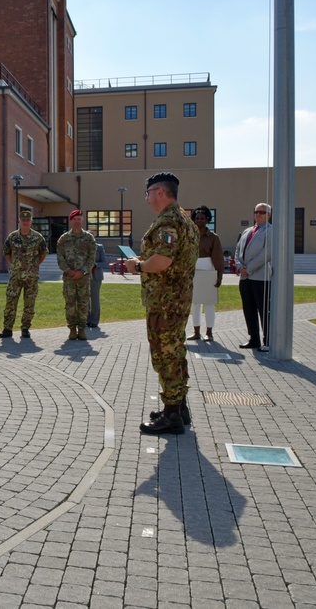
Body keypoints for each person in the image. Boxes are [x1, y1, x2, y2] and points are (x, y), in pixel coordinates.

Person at [126, 172, 198, 435]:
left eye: (147, 194)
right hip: (177, 300)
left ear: (158, 192)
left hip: (165, 302)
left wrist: (138, 267)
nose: (146, 199)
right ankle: (178, 407)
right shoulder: (185, 220)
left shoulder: (168, 222)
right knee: (176, 353)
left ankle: (171, 416)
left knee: (165, 355)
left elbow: (163, 261)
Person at [0, 209, 48, 339]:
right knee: (11, 301)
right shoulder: (12, 237)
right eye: (23, 220)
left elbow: (43, 253)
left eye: (28, 220)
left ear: (31, 221)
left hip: (31, 277)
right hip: (15, 276)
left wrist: (34, 265)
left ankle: (25, 328)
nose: (25, 222)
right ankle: (8, 328)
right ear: (19, 221)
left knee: (29, 303)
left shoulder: (38, 238)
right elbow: (7, 252)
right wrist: (16, 265)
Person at [235, 202, 273, 351]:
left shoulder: (271, 231)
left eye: (262, 212)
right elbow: (238, 250)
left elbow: (267, 253)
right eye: (256, 212)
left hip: (260, 278)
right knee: (248, 309)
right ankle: (254, 339)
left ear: (269, 215)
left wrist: (248, 269)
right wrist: (239, 266)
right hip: (245, 279)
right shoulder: (247, 231)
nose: (258, 214)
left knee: (264, 310)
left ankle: (268, 341)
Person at [56, 209, 97, 340]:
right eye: (75, 219)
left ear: (82, 221)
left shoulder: (89, 238)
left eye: (79, 219)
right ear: (71, 221)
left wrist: (83, 271)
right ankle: (72, 329)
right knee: (70, 303)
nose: (77, 221)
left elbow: (92, 258)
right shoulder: (64, 238)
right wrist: (69, 271)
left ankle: (82, 329)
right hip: (69, 278)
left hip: (84, 278)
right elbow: (60, 257)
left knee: (83, 304)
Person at [188, 206, 225, 342]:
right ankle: (196, 331)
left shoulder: (213, 237)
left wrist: (219, 275)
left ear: (207, 219)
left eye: (202, 218)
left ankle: (209, 332)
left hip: (209, 269)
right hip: (193, 270)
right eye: (197, 218)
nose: (199, 221)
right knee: (195, 303)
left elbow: (218, 257)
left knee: (209, 302)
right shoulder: (190, 235)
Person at [86, 242, 107, 328]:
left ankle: (94, 321)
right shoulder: (82, 246)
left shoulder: (99, 247)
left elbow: (104, 262)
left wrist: (95, 265)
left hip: (96, 276)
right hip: (85, 276)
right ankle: (86, 320)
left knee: (95, 299)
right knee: (85, 299)